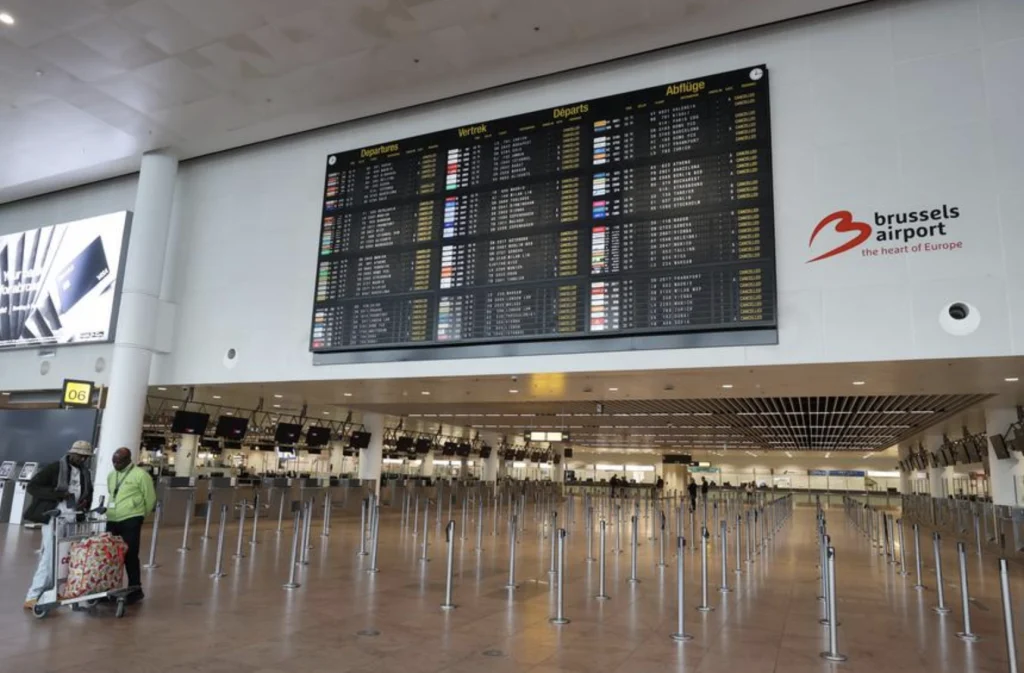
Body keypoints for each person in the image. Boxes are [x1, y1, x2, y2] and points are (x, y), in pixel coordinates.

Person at [23, 440, 95, 609]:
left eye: (86, 457)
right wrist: (58, 494)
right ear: (72, 453)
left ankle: (57, 589)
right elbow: (33, 487)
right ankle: (34, 595)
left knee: (66, 556)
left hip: (72, 517)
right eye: (80, 456)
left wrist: (85, 503)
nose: (83, 459)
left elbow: (88, 492)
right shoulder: (55, 468)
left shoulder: (85, 472)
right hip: (54, 516)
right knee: (50, 556)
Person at [106, 447, 157, 605]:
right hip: (112, 518)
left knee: (130, 554)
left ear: (128, 460)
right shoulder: (111, 475)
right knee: (110, 554)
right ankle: (110, 587)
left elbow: (150, 498)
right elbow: (111, 493)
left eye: (119, 462)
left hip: (131, 519)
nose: (116, 465)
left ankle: (135, 589)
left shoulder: (141, 475)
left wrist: (139, 516)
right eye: (113, 461)